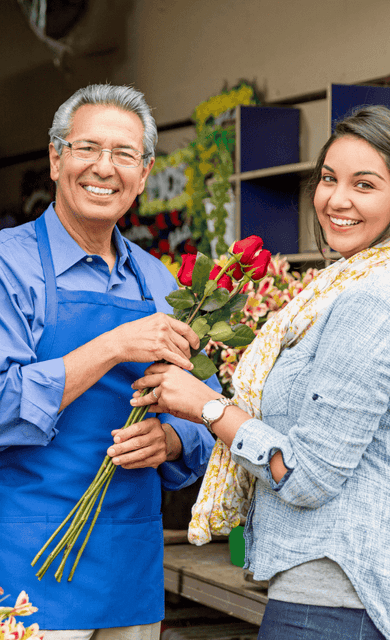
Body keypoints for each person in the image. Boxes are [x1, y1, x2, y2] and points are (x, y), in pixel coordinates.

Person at [0, 84, 220, 640]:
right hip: (23, 564)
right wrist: (114, 346)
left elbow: (203, 418)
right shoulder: (0, 268)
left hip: (128, 561)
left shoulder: (160, 280)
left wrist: (169, 442)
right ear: (55, 158)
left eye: (124, 154)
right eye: (86, 148)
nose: (104, 168)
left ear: (143, 175)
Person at [130, 104, 390, 640]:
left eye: (364, 185)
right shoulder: (332, 290)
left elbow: (307, 475)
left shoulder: (370, 301)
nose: (337, 200)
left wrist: (204, 407)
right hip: (325, 593)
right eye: (328, 179)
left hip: (335, 600)